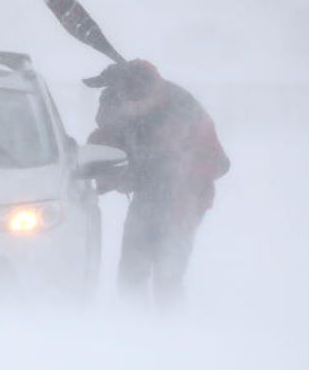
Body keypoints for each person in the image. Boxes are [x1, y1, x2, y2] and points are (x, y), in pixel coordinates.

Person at [84, 60, 230, 304]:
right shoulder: (122, 107)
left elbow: (218, 162)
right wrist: (97, 176)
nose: (130, 108)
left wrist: (171, 169)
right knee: (131, 273)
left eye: (135, 103)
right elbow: (104, 146)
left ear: (150, 94)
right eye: (125, 102)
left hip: (184, 203)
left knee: (168, 274)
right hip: (146, 198)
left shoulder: (183, 110)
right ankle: (134, 330)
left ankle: (169, 332)